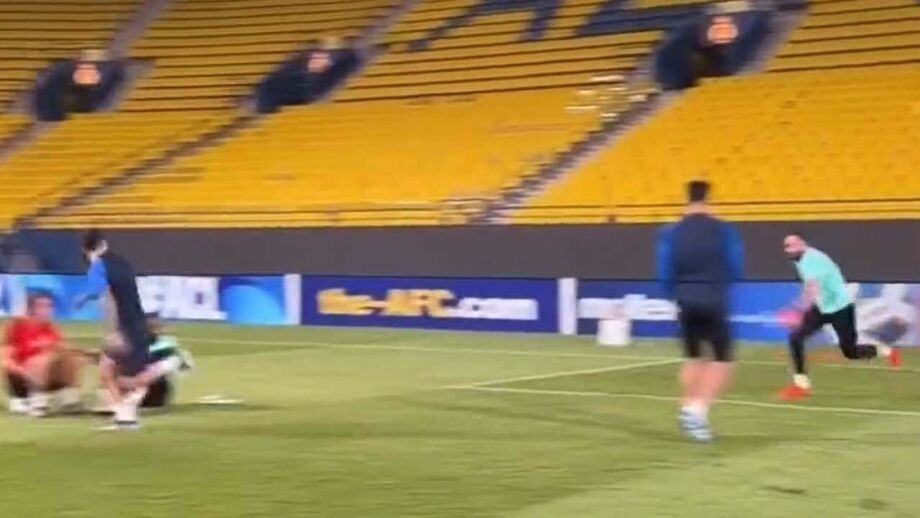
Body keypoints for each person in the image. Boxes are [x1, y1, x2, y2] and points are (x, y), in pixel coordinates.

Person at [658, 180, 744, 442]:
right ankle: (697, 410)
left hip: (685, 297)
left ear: (687, 198)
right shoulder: (724, 230)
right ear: (708, 198)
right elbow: (736, 265)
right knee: (723, 359)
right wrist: (721, 286)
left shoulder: (671, 232)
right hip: (713, 296)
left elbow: (664, 269)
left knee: (693, 357)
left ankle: (688, 408)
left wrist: (675, 294)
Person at [777, 234, 901, 401]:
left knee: (850, 352)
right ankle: (801, 385)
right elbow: (812, 287)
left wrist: (798, 309)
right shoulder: (800, 260)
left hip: (841, 309)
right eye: (786, 246)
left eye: (792, 245)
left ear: (802, 244)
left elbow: (813, 288)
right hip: (822, 308)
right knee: (795, 338)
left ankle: (887, 351)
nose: (788, 249)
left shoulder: (813, 260)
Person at [75, 229, 152, 429]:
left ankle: (126, 416)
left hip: (123, 326)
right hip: (139, 324)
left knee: (108, 372)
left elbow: (107, 298)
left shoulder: (98, 266)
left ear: (87, 250)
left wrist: (112, 331)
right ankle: (126, 416)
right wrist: (85, 297)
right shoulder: (124, 263)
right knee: (122, 372)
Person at [94, 313, 193, 413]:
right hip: (145, 387)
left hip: (152, 392)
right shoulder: (136, 344)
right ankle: (120, 401)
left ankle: (122, 402)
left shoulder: (162, 346)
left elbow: (144, 378)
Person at [4, 293, 84, 416]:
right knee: (43, 359)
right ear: (31, 309)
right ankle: (34, 399)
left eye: (49, 306)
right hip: (22, 379)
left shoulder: (50, 328)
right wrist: (24, 372)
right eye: (41, 306)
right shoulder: (17, 327)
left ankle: (68, 398)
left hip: (45, 377)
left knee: (72, 358)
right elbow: (6, 360)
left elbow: (62, 349)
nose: (47, 310)